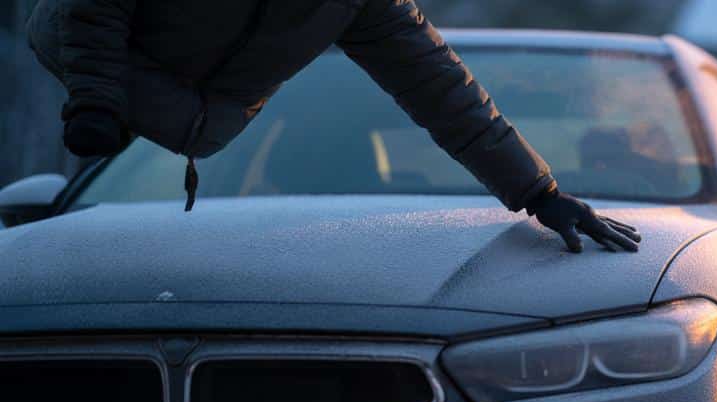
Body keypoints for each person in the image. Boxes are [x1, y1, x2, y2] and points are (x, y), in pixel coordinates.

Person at [26, 0, 640, 254]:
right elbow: (94, 7)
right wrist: (96, 99)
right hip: (88, 61)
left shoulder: (364, 4)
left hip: (197, 118)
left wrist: (539, 193)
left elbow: (440, 88)